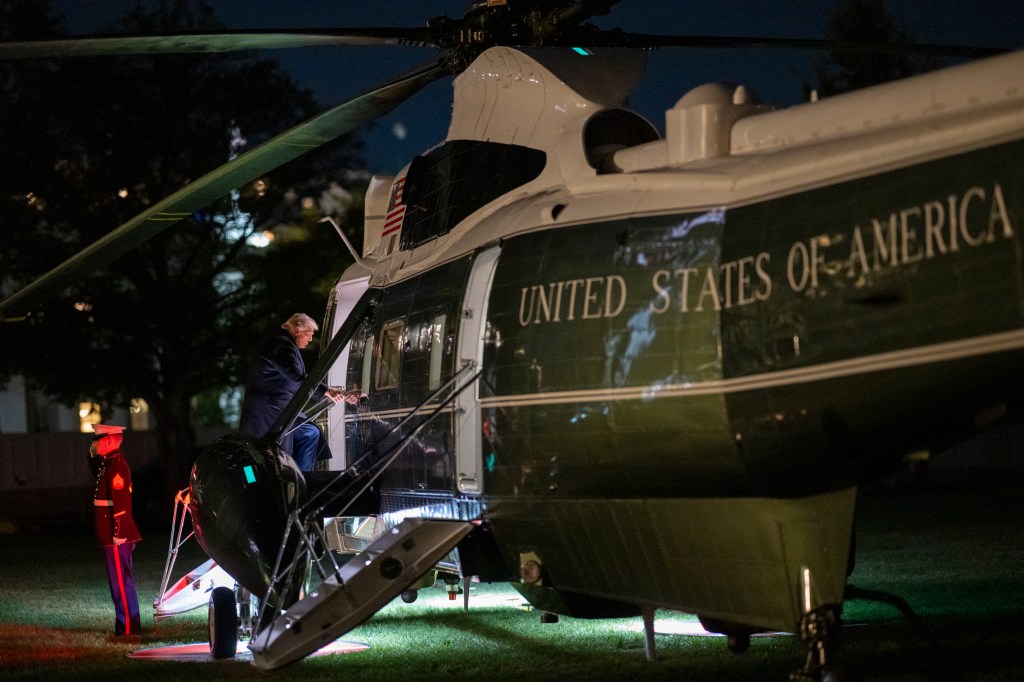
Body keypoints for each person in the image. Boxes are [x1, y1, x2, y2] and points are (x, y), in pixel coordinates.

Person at [239, 313, 358, 470]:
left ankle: (301, 477)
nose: (309, 339)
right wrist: (327, 391)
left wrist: (327, 391)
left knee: (310, 433)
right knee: (265, 459)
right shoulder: (281, 345)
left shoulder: (283, 344)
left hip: (279, 409)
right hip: (270, 412)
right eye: (308, 335)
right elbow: (296, 377)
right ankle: (298, 479)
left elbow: (298, 378)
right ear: (297, 330)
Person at [89, 423, 142, 638]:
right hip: (111, 535)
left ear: (110, 440)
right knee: (118, 582)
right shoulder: (108, 464)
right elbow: (96, 472)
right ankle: (125, 625)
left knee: (121, 582)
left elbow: (122, 504)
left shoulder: (117, 465)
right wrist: (91, 454)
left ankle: (128, 627)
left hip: (116, 535)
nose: (95, 443)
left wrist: (118, 533)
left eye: (98, 440)